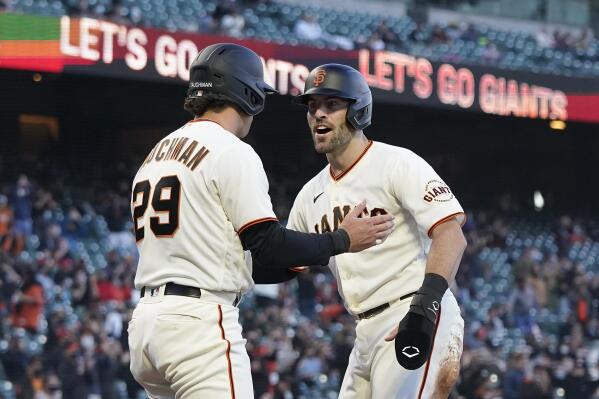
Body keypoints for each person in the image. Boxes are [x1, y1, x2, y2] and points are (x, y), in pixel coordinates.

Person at [127, 44, 394, 399]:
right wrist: (341, 239)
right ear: (249, 94)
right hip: (197, 324)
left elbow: (236, 256)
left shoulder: (155, 154)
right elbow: (268, 241)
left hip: (145, 323)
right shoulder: (230, 149)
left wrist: (302, 256)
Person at [288, 63, 467, 398]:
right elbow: (282, 262)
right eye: (312, 107)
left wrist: (424, 308)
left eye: (331, 105)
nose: (318, 115)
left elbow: (451, 232)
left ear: (358, 110)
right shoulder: (309, 196)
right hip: (364, 330)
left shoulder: (396, 162)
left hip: (412, 309)